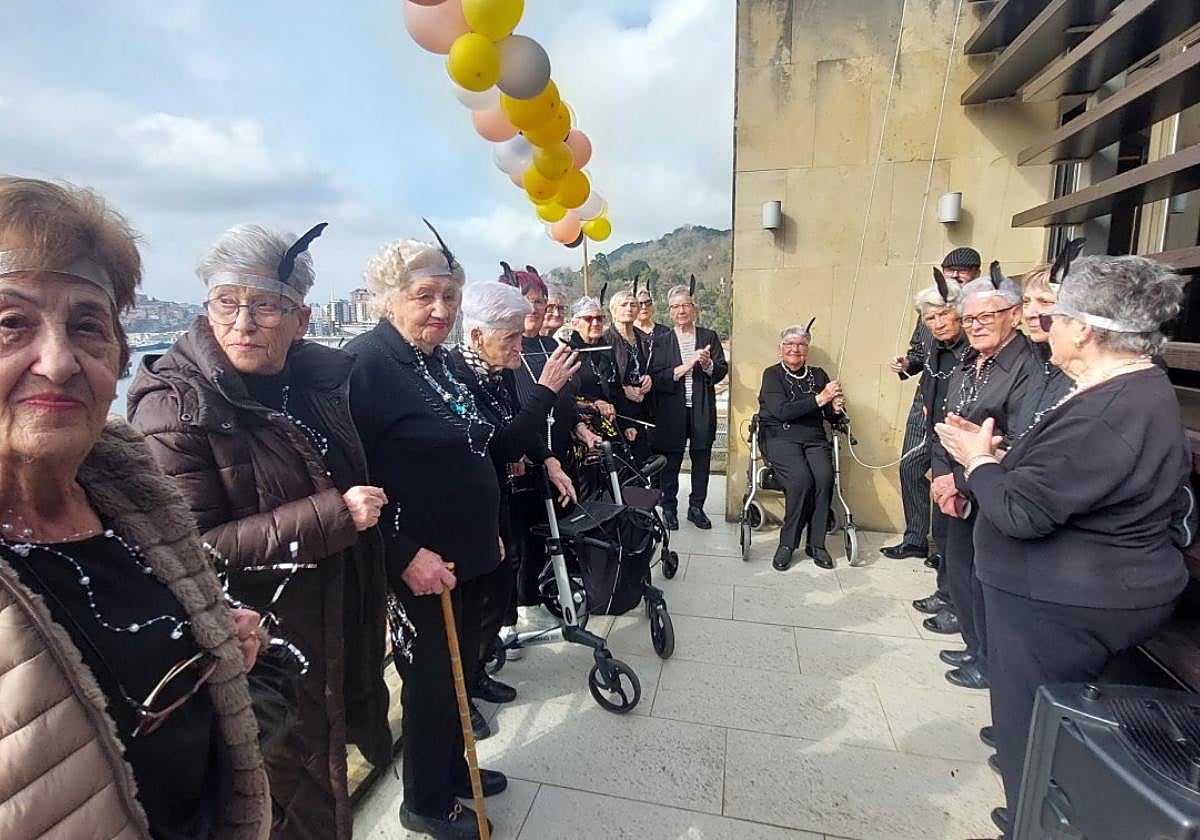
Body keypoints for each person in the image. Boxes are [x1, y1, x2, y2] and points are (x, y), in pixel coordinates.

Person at [0, 177, 269, 839]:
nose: (59, 362)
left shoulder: (125, 489)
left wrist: (214, 636)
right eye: (11, 323)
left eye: (88, 325)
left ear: (117, 353)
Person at [128, 223, 391, 840]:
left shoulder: (321, 382)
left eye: (265, 304)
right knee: (280, 805)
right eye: (227, 301)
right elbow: (190, 550)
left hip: (333, 622)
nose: (243, 321)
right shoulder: (174, 405)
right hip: (257, 648)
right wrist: (333, 517)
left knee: (325, 783)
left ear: (300, 317)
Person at [935, 255, 1190, 836]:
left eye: (1053, 318)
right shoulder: (1125, 392)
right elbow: (1064, 484)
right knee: (1039, 730)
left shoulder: (1112, 409)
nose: (1044, 328)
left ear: (1086, 329)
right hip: (1079, 589)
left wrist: (978, 463)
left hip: (1060, 604)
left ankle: (1034, 820)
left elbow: (1024, 511)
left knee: (1033, 733)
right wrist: (995, 462)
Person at [345, 231, 505, 840]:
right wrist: (402, 554)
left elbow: (473, 445)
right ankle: (425, 800)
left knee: (461, 667)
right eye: (424, 296)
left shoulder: (439, 360)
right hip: (417, 561)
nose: (441, 310)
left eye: (449, 296)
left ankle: (454, 772)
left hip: (464, 554)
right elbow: (346, 475)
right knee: (432, 683)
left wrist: (487, 527)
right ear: (389, 298)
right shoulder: (366, 365)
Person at [447, 280, 578, 740]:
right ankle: (460, 697)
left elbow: (515, 429)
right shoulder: (455, 375)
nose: (520, 348)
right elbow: (499, 441)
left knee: (495, 599)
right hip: (468, 510)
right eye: (511, 339)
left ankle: (479, 671)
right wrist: (546, 391)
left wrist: (546, 458)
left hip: (502, 500)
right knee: (470, 609)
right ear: (476, 336)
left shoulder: (497, 371)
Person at [930, 263, 1033, 691]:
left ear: (1014, 313)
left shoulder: (1026, 366)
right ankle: (975, 648)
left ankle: (991, 661)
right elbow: (946, 421)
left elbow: (1015, 439)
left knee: (983, 577)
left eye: (985, 317)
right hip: (956, 480)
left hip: (987, 485)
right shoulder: (971, 363)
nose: (974, 326)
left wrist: (960, 480)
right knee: (960, 569)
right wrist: (940, 477)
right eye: (969, 318)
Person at [883, 247, 981, 561]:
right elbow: (917, 354)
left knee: (953, 478)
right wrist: (906, 365)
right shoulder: (926, 310)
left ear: (974, 275)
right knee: (910, 468)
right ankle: (915, 539)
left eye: (962, 272)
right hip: (924, 404)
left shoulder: (976, 315)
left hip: (961, 414)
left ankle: (944, 553)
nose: (955, 275)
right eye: (949, 269)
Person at [904, 273, 969, 636]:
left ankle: (960, 606)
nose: (938, 322)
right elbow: (928, 383)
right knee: (944, 531)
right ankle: (946, 594)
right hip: (939, 441)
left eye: (944, 314)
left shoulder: (970, 352)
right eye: (931, 318)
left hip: (963, 449)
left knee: (960, 535)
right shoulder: (936, 348)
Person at [756, 322, 845, 571]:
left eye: (802, 345)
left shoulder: (818, 375)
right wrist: (821, 398)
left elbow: (830, 415)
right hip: (779, 437)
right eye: (790, 344)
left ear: (808, 350)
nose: (796, 349)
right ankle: (788, 544)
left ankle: (817, 544)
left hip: (814, 438)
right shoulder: (771, 374)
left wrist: (835, 408)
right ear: (780, 349)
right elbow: (782, 411)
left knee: (824, 478)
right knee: (800, 480)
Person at [648, 282, 728, 530]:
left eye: (685, 305)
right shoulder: (661, 340)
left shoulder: (708, 337)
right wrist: (686, 365)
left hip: (702, 407)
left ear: (694, 308)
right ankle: (669, 508)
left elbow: (721, 370)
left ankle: (696, 507)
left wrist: (706, 365)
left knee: (701, 458)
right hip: (672, 410)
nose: (681, 311)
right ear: (670, 312)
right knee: (671, 461)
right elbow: (657, 377)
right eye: (676, 307)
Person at [605, 288, 653, 463]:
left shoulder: (645, 339)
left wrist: (649, 378)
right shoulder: (606, 340)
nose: (629, 308)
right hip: (619, 409)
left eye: (633, 304)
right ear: (613, 310)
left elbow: (651, 367)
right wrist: (623, 389)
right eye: (623, 305)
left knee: (644, 459)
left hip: (643, 406)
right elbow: (602, 376)